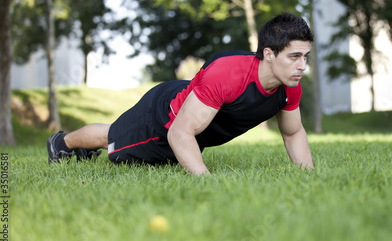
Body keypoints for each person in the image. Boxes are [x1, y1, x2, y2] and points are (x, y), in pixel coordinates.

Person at [47, 12, 315, 175]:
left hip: (194, 108)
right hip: (163, 119)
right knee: (113, 137)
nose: (302, 66)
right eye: (294, 57)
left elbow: (292, 132)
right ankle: (62, 144)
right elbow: (179, 132)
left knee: (167, 155)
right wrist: (205, 182)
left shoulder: (289, 85)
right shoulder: (228, 75)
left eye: (305, 57)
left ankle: (79, 149)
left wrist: (307, 178)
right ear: (269, 54)